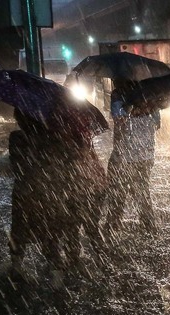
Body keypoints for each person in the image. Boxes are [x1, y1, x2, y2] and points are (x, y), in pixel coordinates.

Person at [8, 105, 107, 281]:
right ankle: (59, 274)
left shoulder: (16, 138)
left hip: (24, 193)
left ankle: (16, 267)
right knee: (53, 233)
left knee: (19, 230)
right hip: (48, 193)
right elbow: (61, 165)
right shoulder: (51, 137)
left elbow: (16, 166)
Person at [102, 78, 160, 238]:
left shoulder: (118, 96)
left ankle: (111, 229)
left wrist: (129, 107)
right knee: (141, 191)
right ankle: (149, 227)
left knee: (117, 192)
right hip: (146, 155)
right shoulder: (150, 96)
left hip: (125, 155)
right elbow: (157, 123)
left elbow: (119, 122)